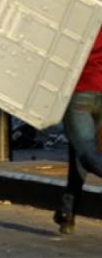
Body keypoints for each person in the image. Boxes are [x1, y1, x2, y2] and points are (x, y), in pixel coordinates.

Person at [53, 29, 102, 234]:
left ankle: (68, 211)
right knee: (79, 151)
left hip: (78, 92)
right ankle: (67, 212)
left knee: (87, 152)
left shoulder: (78, 16)